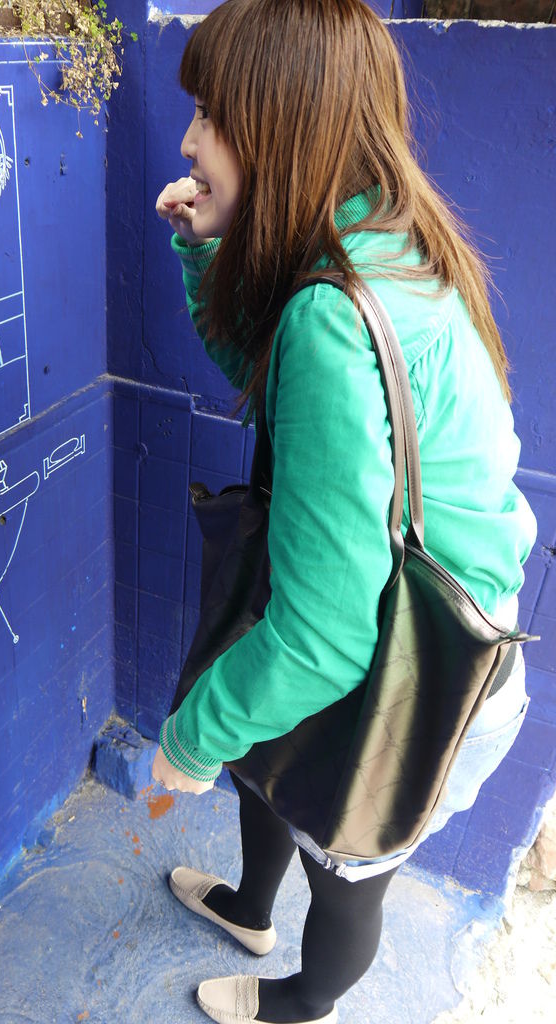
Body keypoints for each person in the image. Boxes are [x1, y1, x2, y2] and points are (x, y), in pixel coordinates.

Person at [149, 2, 538, 1023]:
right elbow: (277, 384)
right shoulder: (385, 239)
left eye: (211, 113)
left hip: (421, 669)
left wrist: (190, 738)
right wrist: (201, 251)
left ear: (283, 123)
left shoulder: (332, 309)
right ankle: (249, 909)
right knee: (271, 765)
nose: (188, 141)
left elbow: (322, 640)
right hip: (400, 619)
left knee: (346, 866)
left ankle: (302, 1004)